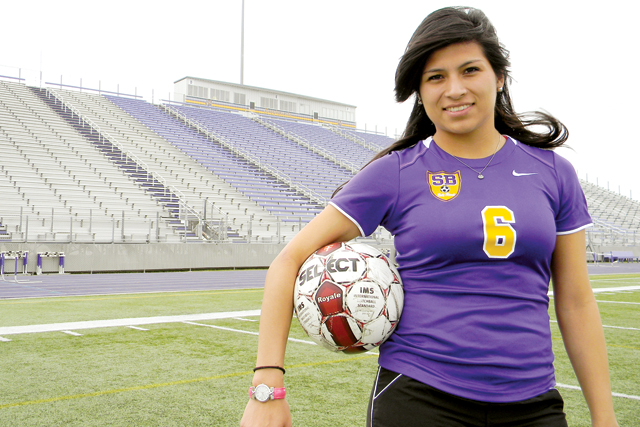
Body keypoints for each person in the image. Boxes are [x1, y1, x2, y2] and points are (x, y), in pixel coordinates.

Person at [241, 6, 618, 427]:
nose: (454, 89)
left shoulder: (553, 172)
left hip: (534, 404)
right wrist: (267, 389)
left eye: (470, 70)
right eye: (435, 77)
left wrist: (605, 419)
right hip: (419, 399)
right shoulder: (397, 173)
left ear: (499, 77)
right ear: (420, 91)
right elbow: (288, 261)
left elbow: (576, 300)